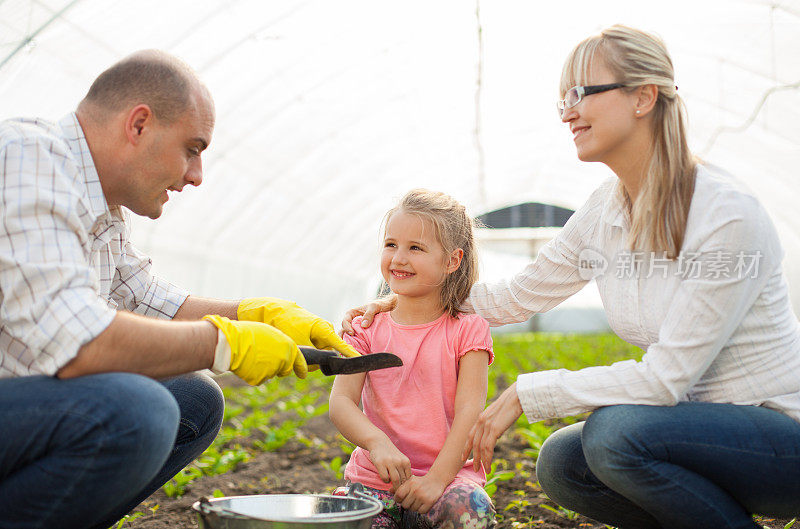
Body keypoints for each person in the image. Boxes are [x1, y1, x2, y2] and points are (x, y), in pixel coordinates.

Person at [343, 25, 800, 529]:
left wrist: (525, 392)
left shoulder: (725, 217)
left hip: (779, 438)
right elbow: (517, 295)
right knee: (564, 462)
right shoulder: (607, 209)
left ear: (644, 97)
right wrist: (408, 297)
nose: (567, 111)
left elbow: (667, 378)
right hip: (692, 431)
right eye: (563, 98)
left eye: (581, 94)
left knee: (614, 435)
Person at [0, 50, 358, 529]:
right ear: (139, 125)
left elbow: (147, 297)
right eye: (192, 148)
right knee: (135, 413)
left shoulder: (99, 205)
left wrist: (256, 315)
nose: (196, 175)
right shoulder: (28, 157)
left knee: (193, 399)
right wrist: (224, 343)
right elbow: (78, 343)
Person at [329, 189, 496, 529]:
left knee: (470, 510)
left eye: (415, 248)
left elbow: (470, 413)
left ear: (452, 260)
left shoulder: (468, 331)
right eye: (391, 244)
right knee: (342, 519)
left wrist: (436, 480)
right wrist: (377, 444)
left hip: (446, 480)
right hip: (375, 480)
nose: (398, 258)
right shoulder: (366, 328)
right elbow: (341, 402)